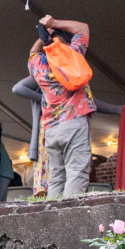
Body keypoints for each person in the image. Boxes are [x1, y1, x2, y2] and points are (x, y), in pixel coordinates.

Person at [27, 14, 95, 199]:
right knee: (77, 173)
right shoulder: (72, 56)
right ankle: (69, 219)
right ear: (66, 43)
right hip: (73, 123)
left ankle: (51, 217)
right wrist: (54, 23)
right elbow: (83, 28)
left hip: (50, 130)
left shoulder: (38, 65)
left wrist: (44, 37)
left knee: (56, 177)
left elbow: (32, 53)